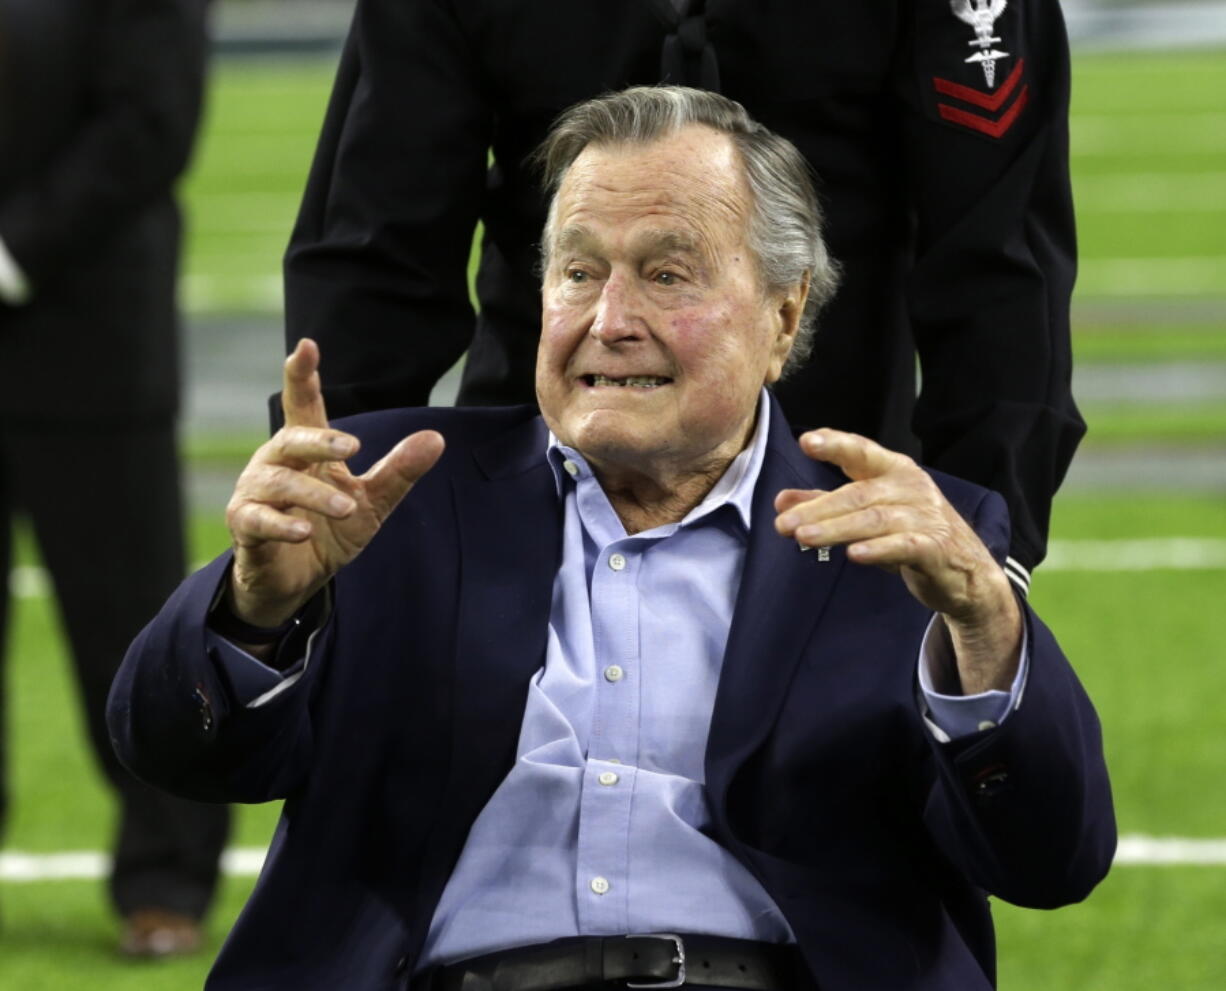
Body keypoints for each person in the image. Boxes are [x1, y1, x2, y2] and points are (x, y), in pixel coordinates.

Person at [111, 88, 1113, 990]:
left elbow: (1051, 858)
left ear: (782, 313)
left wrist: (984, 618)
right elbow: (173, 750)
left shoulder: (905, 533)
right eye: (577, 271)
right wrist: (256, 608)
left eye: (666, 274)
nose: (609, 318)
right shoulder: (387, 490)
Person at [283, 0, 1084, 595]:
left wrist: (983, 538)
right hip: (532, 480)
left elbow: (997, 259)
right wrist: (338, 520)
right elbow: (373, 254)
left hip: (837, 493)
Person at [0, 0, 227, 955]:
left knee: (130, 620)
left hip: (88, 336)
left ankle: (166, 878)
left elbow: (151, 120)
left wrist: (13, 250)